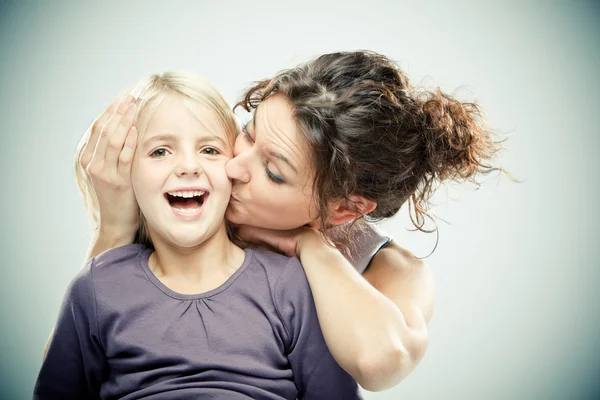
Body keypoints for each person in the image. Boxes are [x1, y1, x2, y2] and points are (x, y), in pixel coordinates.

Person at [63, 50, 502, 391]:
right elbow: (74, 371)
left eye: (273, 172)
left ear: (343, 209)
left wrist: (310, 247)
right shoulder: (197, 196)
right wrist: (114, 230)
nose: (234, 168)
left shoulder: (392, 271)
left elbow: (377, 360)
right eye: (249, 132)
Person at [35, 71, 363, 399]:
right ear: (125, 175)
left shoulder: (290, 286)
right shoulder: (96, 288)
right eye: (160, 151)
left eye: (209, 150)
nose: (189, 166)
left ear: (233, 167)